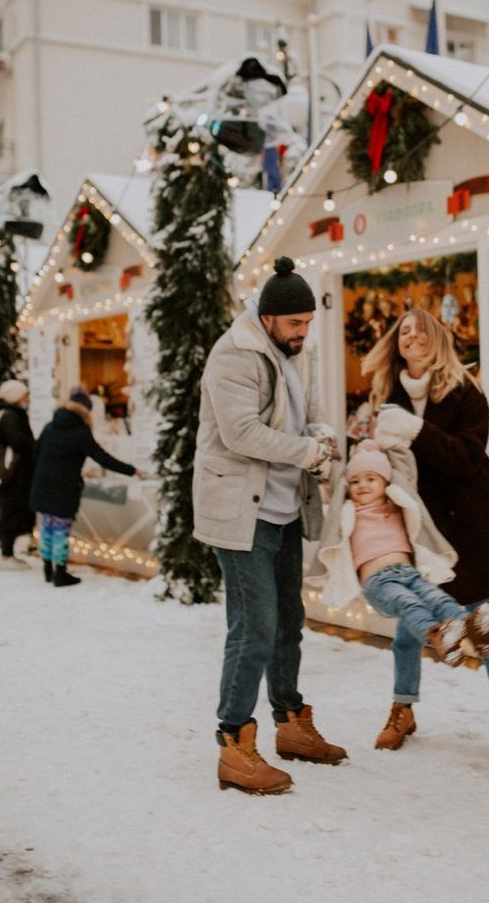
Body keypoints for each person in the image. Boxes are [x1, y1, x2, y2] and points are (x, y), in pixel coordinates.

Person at [194, 256, 347, 795]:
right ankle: (234, 743)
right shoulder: (234, 355)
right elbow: (241, 433)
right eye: (294, 324)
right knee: (254, 627)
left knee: (288, 623)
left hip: (283, 510)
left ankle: (290, 725)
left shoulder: (296, 353)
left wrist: (324, 435)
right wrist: (309, 451)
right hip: (242, 513)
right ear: (266, 318)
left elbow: (314, 412)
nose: (304, 332)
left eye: (308, 323)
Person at [363, 309, 489, 772]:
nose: (411, 335)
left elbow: (467, 460)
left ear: (437, 339)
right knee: (406, 632)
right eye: (403, 331)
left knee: (487, 632)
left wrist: (417, 431)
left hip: (469, 532)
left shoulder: (466, 393)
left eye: (420, 329)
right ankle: (403, 708)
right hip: (417, 534)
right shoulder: (389, 396)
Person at [307, 439, 489, 742]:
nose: (361, 486)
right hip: (378, 583)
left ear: (386, 482)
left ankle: (470, 628)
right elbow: (334, 473)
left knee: (437, 597)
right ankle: (439, 636)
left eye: (370, 479)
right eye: (355, 481)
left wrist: (384, 441)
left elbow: (404, 468)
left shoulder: (398, 504)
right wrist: (330, 450)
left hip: (408, 572)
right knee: (411, 605)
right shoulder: (346, 510)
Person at [30, 386, 143, 587]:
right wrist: (131, 470)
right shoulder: (80, 432)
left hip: (43, 483)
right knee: (61, 529)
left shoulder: (49, 426)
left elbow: (36, 453)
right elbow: (102, 458)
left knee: (47, 525)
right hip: (64, 487)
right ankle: (61, 572)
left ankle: (48, 569)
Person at [0, 379, 36, 571]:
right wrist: (35, 447)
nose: (28, 399)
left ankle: (9, 552)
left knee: (11, 510)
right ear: (16, 397)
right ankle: (7, 554)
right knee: (10, 511)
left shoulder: (11, 414)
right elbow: (20, 443)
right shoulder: (11, 417)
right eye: (25, 395)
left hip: (15, 473)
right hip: (12, 474)